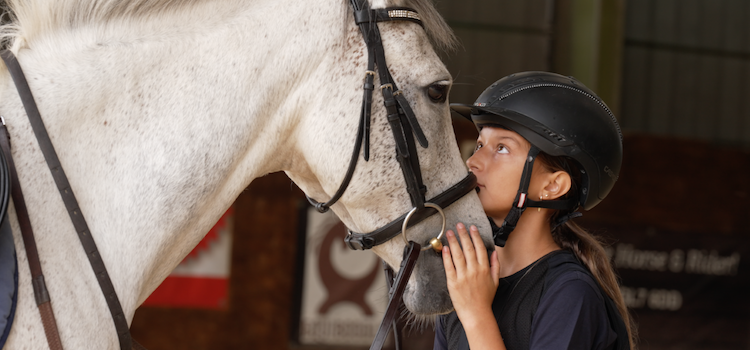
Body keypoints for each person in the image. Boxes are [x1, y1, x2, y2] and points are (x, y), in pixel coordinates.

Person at [434, 71, 636, 350]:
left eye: (502, 148)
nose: (472, 162)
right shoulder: (467, 282)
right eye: (480, 145)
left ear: (553, 186)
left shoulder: (570, 294)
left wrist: (476, 314)